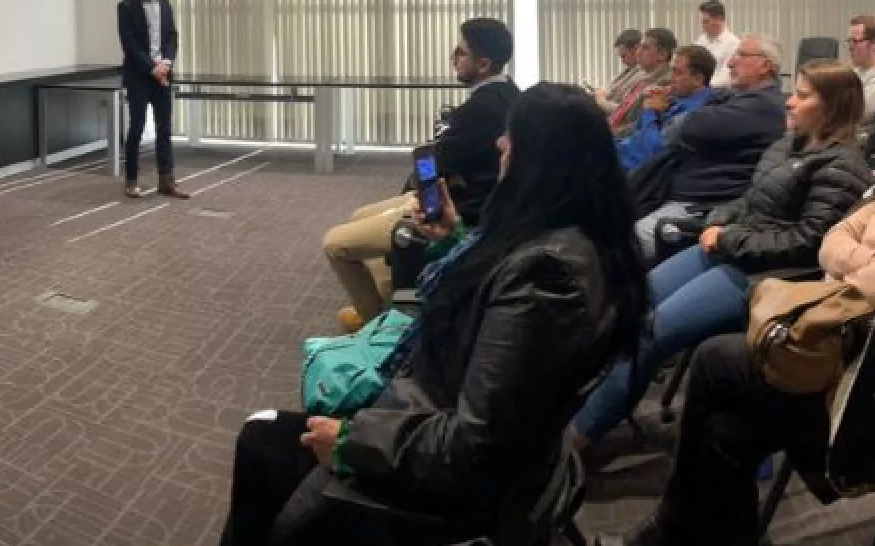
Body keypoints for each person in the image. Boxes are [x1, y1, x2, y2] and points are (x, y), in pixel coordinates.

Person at [603, 67, 875, 546]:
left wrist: (857, 259)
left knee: (713, 360)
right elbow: (833, 239)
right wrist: (867, 258)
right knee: (725, 432)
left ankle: (670, 528)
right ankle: (690, 530)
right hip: (845, 338)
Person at [220, 84, 648, 546]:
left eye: (512, 137)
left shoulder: (546, 276)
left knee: (262, 441)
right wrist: (452, 240)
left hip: (435, 470)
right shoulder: (577, 239)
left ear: (540, 157)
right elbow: (496, 320)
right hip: (443, 423)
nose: (500, 144)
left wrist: (350, 443)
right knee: (265, 442)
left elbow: (475, 444)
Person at [572, 60, 871, 449]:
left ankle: (578, 438)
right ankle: (578, 405)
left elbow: (810, 241)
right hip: (736, 247)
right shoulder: (788, 144)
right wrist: (721, 220)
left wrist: (729, 239)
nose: (790, 102)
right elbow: (752, 199)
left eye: (802, 96)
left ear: (833, 106)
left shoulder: (844, 165)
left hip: (768, 274)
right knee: (630, 302)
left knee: (651, 333)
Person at [324, 19, 518, 331]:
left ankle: (373, 327)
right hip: (460, 195)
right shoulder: (509, 93)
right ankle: (385, 302)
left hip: (452, 209)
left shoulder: (479, 110)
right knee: (360, 216)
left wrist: (431, 171)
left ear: (483, 64)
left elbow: (434, 163)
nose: (453, 58)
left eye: (460, 52)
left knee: (335, 244)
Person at [631, 35, 786, 261]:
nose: (730, 63)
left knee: (629, 242)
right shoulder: (733, 97)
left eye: (741, 56)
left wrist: (672, 118)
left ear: (765, 66)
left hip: (701, 206)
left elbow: (681, 129)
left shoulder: (762, 106)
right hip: (672, 192)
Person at [116, 0, 189, 200]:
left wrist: (166, 62)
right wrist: (152, 68)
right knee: (136, 127)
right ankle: (131, 181)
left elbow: (172, 37)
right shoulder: (126, 6)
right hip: (139, 76)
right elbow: (130, 45)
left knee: (164, 128)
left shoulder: (165, 5)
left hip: (163, 75)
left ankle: (166, 181)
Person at [616, 44, 715, 172]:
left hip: (634, 169)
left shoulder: (698, 112)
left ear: (698, 79)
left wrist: (650, 111)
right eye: (671, 71)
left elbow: (653, 151)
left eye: (677, 72)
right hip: (623, 151)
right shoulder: (675, 99)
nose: (670, 78)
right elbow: (637, 131)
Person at [608, 28, 676, 135]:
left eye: (645, 48)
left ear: (662, 54)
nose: (638, 53)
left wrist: (609, 132)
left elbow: (644, 125)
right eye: (639, 47)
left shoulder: (665, 84)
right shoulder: (643, 79)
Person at [846, 13, 875, 122]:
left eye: (855, 41)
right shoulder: (857, 70)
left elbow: (857, 117)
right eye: (849, 41)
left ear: (874, 43)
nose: (850, 47)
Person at [594, 29, 644, 114]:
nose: (622, 61)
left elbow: (626, 110)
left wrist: (602, 102)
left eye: (624, 56)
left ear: (636, 50)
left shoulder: (643, 76)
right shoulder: (629, 71)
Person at [695, 0, 740, 89]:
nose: (703, 26)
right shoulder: (701, 40)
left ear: (719, 19)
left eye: (706, 22)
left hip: (717, 92)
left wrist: (701, 87)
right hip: (698, 88)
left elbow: (726, 78)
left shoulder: (733, 43)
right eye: (702, 22)